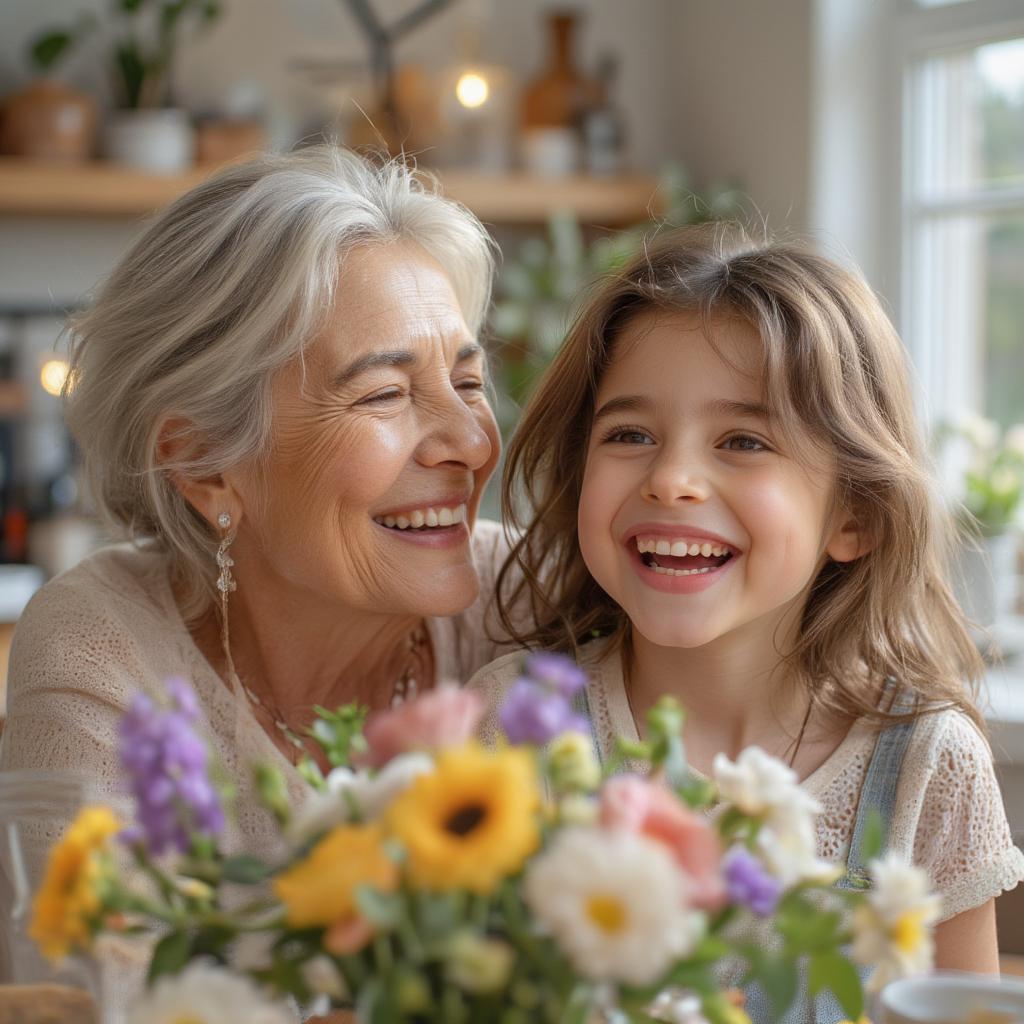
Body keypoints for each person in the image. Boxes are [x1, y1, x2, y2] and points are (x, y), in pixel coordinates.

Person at [469, 224, 1024, 1004]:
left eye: (742, 440)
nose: (672, 479)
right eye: (630, 434)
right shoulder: (511, 729)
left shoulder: (929, 765)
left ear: (854, 516)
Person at [0, 146, 521, 942]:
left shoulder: (530, 599)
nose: (471, 442)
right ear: (202, 465)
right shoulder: (106, 654)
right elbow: (97, 983)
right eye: (384, 393)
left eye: (469, 382)